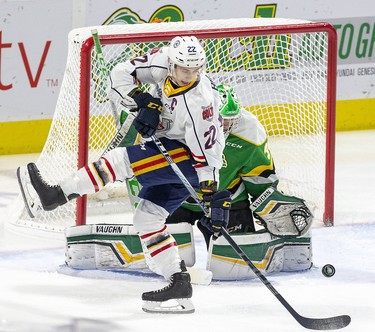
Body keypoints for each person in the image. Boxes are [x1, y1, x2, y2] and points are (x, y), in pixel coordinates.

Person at [17, 36, 231, 314]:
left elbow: (209, 150)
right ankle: (179, 282)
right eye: (184, 70)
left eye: (195, 70)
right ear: (172, 63)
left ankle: (55, 195)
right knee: (147, 218)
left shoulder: (199, 102)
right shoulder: (161, 62)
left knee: (119, 161)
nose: (189, 76)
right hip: (169, 148)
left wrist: (210, 191)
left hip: (189, 159)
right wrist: (144, 101)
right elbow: (120, 73)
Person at [166, 84, 312, 248]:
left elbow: (259, 175)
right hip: (179, 198)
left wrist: (267, 206)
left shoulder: (249, 132)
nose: (227, 123)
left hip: (228, 199)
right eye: (223, 118)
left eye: (232, 118)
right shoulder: (181, 127)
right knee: (168, 259)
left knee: (237, 263)